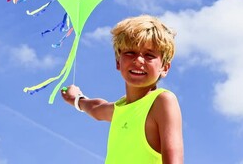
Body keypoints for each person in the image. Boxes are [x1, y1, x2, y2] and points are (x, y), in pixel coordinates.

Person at [61, 15, 183, 164]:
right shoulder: (120, 109)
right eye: (130, 52)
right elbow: (96, 108)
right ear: (118, 62)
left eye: (149, 55)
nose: (138, 60)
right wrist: (76, 99)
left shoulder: (162, 101)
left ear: (164, 68)